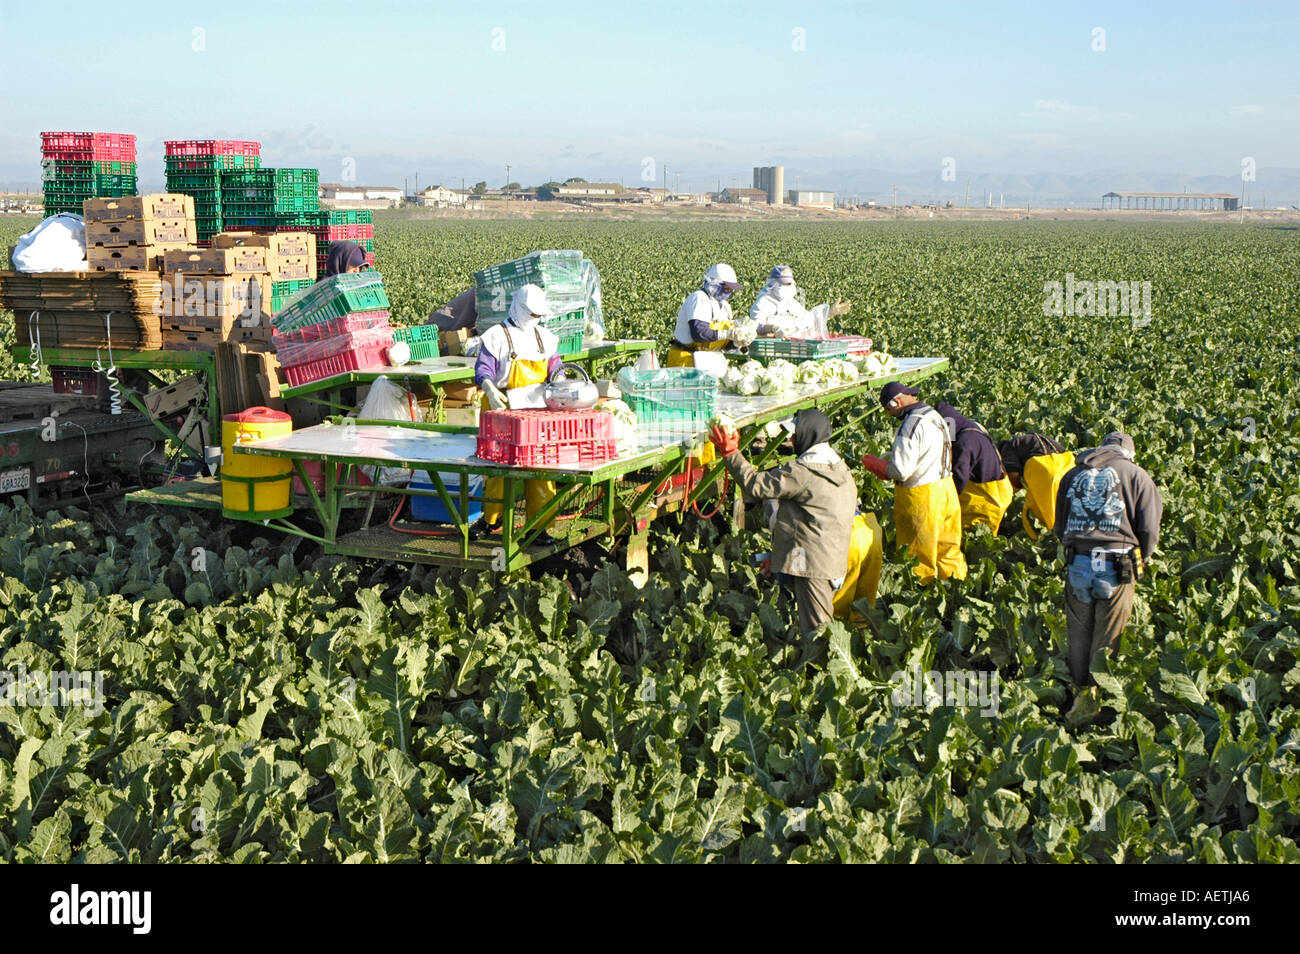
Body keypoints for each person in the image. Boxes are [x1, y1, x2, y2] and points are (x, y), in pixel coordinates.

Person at [710, 409, 858, 639]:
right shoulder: (840, 469)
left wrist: (731, 452)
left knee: (818, 631)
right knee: (816, 619)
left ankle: (824, 668)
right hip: (830, 557)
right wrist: (781, 555)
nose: (791, 440)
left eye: (795, 435)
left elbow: (755, 485)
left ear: (808, 435)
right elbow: (812, 523)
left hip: (813, 566)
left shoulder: (803, 472)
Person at [1054, 432, 1163, 721]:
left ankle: (1077, 690)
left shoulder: (1072, 474)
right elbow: (1149, 529)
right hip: (1117, 565)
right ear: (1128, 452)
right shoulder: (1137, 475)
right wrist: (1145, 554)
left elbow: (1059, 523)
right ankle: (1096, 701)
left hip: (1077, 561)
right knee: (1108, 634)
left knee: (1078, 630)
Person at [472, 284, 563, 540]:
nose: (536, 319)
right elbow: (483, 370)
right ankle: (492, 518)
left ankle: (539, 526)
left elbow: (556, 367)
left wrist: (562, 379)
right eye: (532, 314)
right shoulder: (496, 336)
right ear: (519, 307)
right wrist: (489, 389)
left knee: (540, 469)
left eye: (539, 315)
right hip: (503, 411)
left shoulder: (544, 337)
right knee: (496, 468)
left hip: (536, 413)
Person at [862, 382, 967, 583]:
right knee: (948, 548)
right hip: (946, 489)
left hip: (922, 498)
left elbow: (901, 471)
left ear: (897, 402)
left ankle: (923, 598)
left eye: (888, 409)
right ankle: (957, 588)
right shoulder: (934, 416)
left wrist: (878, 465)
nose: (890, 414)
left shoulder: (910, 425)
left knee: (919, 556)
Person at [933, 401, 1013, 532]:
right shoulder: (973, 427)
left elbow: (959, 477)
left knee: (976, 540)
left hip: (984, 501)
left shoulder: (964, 441)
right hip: (998, 492)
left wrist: (943, 501)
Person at [998, 433, 1075, 539]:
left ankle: (1047, 543)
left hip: (1044, 468)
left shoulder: (1007, 447)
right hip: (1068, 465)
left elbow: (1013, 476)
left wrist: (1009, 495)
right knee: (1068, 508)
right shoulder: (1035, 439)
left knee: (1038, 513)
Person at [743, 265, 851, 340]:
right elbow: (754, 328)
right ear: (773, 284)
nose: (786, 287)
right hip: (771, 348)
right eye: (782, 284)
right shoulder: (763, 303)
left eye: (789, 284)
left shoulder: (792, 304)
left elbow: (808, 322)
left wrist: (830, 313)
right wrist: (773, 329)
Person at [668, 264, 742, 367]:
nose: (729, 292)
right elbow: (699, 333)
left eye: (731, 289)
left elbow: (723, 345)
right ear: (714, 284)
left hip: (709, 360)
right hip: (686, 361)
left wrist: (737, 342)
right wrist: (728, 334)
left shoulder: (725, 307)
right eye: (726, 288)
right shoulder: (699, 298)